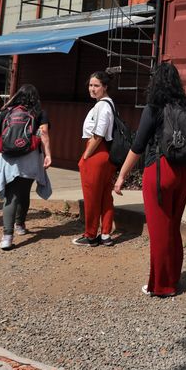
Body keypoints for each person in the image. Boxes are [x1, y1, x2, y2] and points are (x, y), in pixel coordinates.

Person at [113, 62, 186, 297]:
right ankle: (173, 278)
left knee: (159, 229)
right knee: (173, 227)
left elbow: (137, 146)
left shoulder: (154, 107)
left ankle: (161, 286)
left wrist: (121, 176)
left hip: (161, 170)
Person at [0, 85, 53, 250]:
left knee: (11, 196)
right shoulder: (39, 113)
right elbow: (44, 133)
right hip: (30, 159)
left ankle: (7, 236)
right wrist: (48, 155)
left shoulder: (7, 112)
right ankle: (19, 226)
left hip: (8, 158)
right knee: (23, 192)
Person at [74, 70, 117, 247]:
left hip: (96, 154)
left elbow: (98, 134)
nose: (92, 89)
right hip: (105, 155)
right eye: (91, 85)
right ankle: (105, 233)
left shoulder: (102, 106)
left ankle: (91, 235)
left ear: (105, 87)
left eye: (96, 85)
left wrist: (85, 156)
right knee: (105, 196)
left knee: (92, 197)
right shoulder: (107, 104)